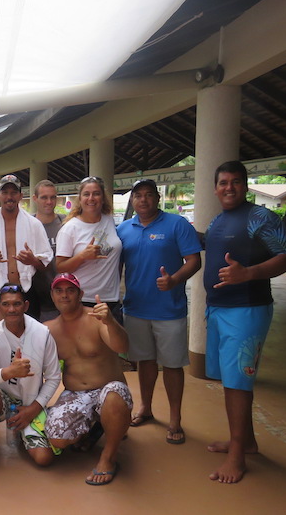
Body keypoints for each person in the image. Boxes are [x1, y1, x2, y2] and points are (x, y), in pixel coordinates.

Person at [203, 160, 286, 484]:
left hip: (247, 310)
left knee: (237, 384)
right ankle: (247, 441)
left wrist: (248, 274)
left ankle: (237, 456)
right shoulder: (217, 220)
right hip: (219, 309)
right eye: (223, 182)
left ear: (244, 184)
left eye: (236, 182)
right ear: (215, 188)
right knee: (235, 381)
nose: (229, 188)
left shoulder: (261, 216)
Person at [117, 179, 202, 444]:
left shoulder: (177, 224)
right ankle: (146, 407)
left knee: (174, 365)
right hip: (135, 308)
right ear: (132, 200)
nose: (143, 200)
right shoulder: (122, 229)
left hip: (170, 310)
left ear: (157, 198)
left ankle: (175, 419)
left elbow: (194, 260)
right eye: (138, 196)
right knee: (144, 362)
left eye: (148, 195)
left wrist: (175, 280)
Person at [45, 273, 131, 486]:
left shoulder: (97, 317)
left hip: (108, 390)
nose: (64, 295)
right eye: (59, 290)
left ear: (80, 294)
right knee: (57, 437)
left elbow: (122, 347)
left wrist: (110, 321)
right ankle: (95, 426)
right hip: (75, 394)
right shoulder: (48, 329)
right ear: (52, 296)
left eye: (70, 290)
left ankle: (108, 457)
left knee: (113, 396)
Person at [0, 282, 61, 475]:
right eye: (6, 304)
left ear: (26, 306)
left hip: (31, 403)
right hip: (2, 399)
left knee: (44, 458)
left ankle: (25, 430)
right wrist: (8, 372)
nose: (11, 309)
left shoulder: (42, 334)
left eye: (17, 304)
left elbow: (54, 377)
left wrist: (33, 409)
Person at [0, 175, 52, 321]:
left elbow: (46, 265)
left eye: (13, 192)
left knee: (29, 340)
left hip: (26, 291)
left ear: (21, 196)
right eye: (5, 193)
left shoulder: (34, 225)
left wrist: (33, 261)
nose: (9, 197)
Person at [55, 176, 123, 323]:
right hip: (83, 301)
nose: (91, 198)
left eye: (96, 193)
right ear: (80, 199)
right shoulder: (70, 229)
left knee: (115, 345)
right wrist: (82, 256)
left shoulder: (109, 220)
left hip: (111, 299)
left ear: (103, 198)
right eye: (86, 194)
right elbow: (60, 267)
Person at [28, 179, 65, 321]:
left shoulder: (66, 223)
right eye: (44, 197)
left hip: (62, 295)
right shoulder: (26, 224)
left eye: (53, 197)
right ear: (35, 199)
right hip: (34, 297)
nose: (49, 202)